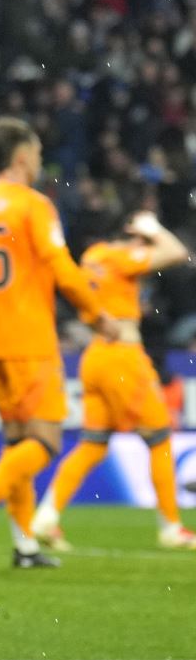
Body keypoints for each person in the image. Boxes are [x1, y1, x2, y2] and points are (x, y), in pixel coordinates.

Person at [0, 117, 116, 569]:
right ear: (21, 157)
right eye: (37, 154)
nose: (39, 162)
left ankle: (24, 546)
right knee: (45, 440)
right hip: (28, 336)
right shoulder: (32, 205)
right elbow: (61, 266)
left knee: (17, 441)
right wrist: (96, 315)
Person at [35, 212, 196, 550]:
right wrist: (153, 228)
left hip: (94, 356)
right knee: (160, 438)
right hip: (123, 356)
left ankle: (46, 516)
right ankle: (171, 527)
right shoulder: (120, 257)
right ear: (130, 236)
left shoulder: (92, 257)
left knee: (93, 444)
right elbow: (177, 252)